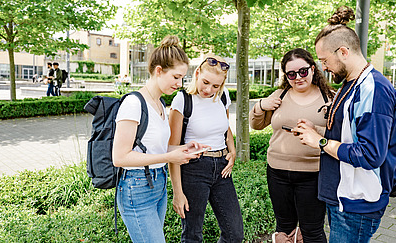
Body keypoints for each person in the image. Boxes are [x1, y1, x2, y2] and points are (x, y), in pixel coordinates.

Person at [296, 6, 396, 243]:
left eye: (324, 60)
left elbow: (370, 154)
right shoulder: (350, 84)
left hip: (358, 203)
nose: (323, 67)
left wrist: (321, 142)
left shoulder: (373, 89)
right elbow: (350, 134)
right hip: (343, 198)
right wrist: (317, 131)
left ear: (343, 51)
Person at [112, 35, 207, 243]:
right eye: (176, 77)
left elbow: (156, 148)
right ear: (158, 71)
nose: (180, 83)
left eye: (182, 78)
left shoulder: (160, 104)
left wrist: (184, 148)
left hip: (158, 184)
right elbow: (119, 158)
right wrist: (169, 156)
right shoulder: (133, 103)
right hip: (136, 188)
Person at [249, 48, 333, 243]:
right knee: (284, 231)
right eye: (291, 74)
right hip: (277, 173)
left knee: (311, 232)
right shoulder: (280, 95)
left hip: (313, 175)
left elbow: (339, 136)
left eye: (303, 71)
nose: (298, 78)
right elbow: (257, 124)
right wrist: (262, 105)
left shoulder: (328, 97)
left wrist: (316, 130)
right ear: (286, 76)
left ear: (313, 69)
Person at [169, 54, 244, 242]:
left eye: (215, 86)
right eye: (205, 82)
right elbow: (172, 150)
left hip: (221, 169)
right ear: (197, 73)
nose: (209, 89)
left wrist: (232, 151)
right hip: (194, 169)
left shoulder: (223, 96)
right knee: (192, 235)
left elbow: (224, 127)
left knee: (234, 234)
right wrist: (177, 192)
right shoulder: (182, 100)